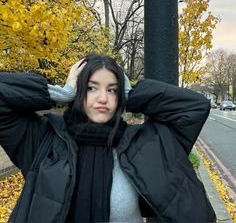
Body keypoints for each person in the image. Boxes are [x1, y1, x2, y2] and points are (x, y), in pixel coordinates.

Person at [0, 53, 216, 223]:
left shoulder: (143, 143)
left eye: (112, 90)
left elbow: (194, 107)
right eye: (92, 88)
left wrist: (129, 94)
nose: (103, 98)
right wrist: (60, 93)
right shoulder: (44, 141)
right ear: (78, 92)